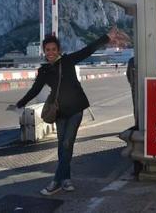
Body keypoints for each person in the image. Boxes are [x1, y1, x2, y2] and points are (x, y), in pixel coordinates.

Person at [14, 27, 119, 195]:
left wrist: (107, 37)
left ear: (59, 50)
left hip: (76, 109)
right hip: (59, 112)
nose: (50, 52)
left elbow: (88, 50)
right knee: (62, 147)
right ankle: (66, 179)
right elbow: (35, 90)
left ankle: (55, 181)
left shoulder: (68, 61)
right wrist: (20, 103)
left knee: (67, 143)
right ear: (44, 51)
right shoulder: (44, 71)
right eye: (47, 50)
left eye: (53, 49)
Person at [126, 56, 143, 179]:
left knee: (138, 127)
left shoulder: (132, 61)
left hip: (137, 102)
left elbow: (129, 79)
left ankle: (138, 166)